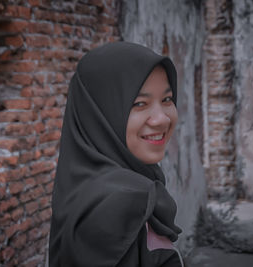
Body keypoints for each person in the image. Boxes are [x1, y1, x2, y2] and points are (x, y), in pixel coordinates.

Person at [49, 41, 183, 267]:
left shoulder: (86, 189)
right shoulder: (119, 205)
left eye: (167, 99)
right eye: (140, 103)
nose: (162, 119)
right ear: (99, 115)